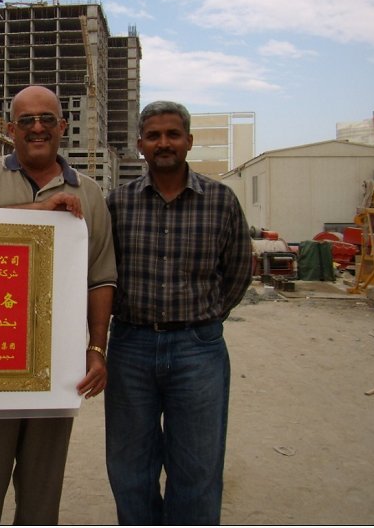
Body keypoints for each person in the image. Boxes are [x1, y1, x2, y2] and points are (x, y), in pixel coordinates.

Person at [0, 85, 116, 525]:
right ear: (10, 129)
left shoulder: (89, 192)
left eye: (46, 119)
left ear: (63, 126)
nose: (37, 128)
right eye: (26, 121)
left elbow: (100, 278)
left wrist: (96, 349)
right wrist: (40, 211)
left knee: (41, 500)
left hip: (54, 365)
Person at [104, 100, 252, 525]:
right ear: (140, 145)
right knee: (130, 467)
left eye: (172, 134)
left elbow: (239, 270)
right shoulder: (118, 203)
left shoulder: (221, 201)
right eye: (153, 136)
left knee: (197, 467)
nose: (163, 143)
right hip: (131, 348)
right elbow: (103, 272)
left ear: (189, 140)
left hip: (198, 350)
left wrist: (205, 320)